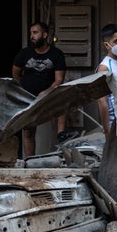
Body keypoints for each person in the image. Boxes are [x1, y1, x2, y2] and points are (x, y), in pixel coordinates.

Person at [12, 21, 70, 158]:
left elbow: (59, 80)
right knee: (28, 132)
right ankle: (30, 161)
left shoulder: (56, 54)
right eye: (31, 33)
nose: (32, 36)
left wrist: (47, 91)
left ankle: (61, 135)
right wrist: (23, 89)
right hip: (28, 98)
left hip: (49, 96)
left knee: (64, 100)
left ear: (44, 35)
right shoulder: (24, 53)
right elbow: (15, 74)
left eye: (35, 33)